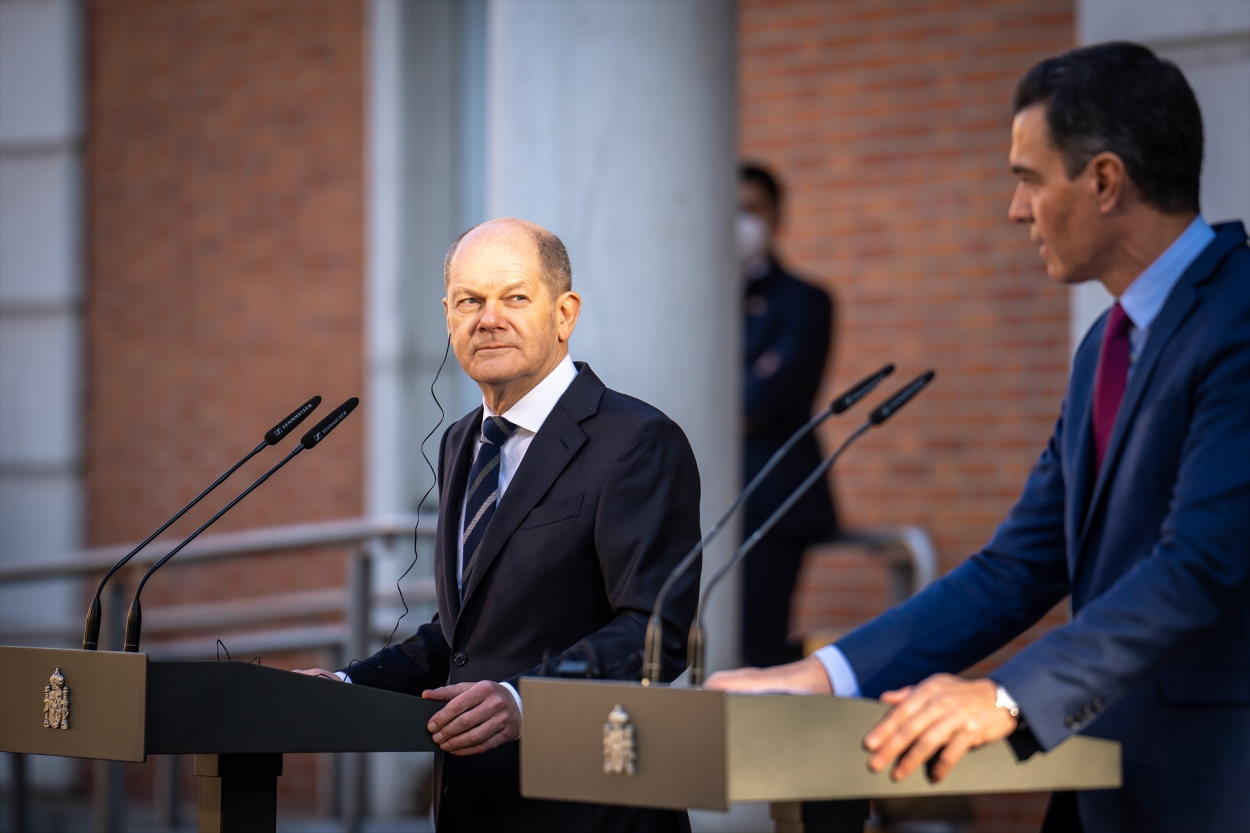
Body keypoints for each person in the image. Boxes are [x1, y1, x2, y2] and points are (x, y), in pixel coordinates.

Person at [708, 41, 1249, 833]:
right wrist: (826, 674)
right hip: (1095, 773)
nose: (1015, 209)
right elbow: (1019, 565)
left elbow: (1199, 563)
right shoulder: (1107, 341)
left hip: (1213, 781)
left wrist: (1006, 695)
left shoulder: (1237, 318)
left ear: (1104, 181)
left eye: (1028, 178)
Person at [301, 218, 701, 832]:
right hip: (472, 803)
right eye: (470, 301)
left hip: (589, 807)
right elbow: (465, 636)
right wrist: (348, 684)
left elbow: (655, 632)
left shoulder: (636, 442)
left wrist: (523, 699)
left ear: (564, 314)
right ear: (448, 319)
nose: (488, 319)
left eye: (515, 297)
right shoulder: (464, 440)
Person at [738, 162, 839, 668]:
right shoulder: (692, 301)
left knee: (754, 648)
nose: (740, 223)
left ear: (776, 217)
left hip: (770, 503)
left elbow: (764, 400)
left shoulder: (804, 300)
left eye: (751, 210)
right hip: (699, 501)